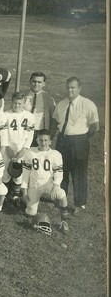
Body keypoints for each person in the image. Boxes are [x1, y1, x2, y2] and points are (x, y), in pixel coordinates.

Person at [52, 77, 99, 214]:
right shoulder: (61, 104)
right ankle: (61, 200)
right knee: (61, 170)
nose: (70, 90)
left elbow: (95, 127)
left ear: (79, 89)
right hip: (63, 140)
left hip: (79, 141)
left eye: (73, 87)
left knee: (79, 172)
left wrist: (82, 137)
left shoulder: (87, 104)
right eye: (68, 87)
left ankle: (80, 204)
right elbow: (55, 122)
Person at [20, 129, 70, 232]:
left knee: (62, 195)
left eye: (46, 140)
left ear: (50, 141)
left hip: (49, 184)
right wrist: (24, 190)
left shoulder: (55, 154)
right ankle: (29, 210)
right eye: (41, 140)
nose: (43, 143)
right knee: (30, 212)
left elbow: (58, 173)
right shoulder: (30, 152)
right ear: (37, 140)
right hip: (34, 185)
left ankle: (64, 221)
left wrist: (56, 186)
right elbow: (25, 173)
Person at [0, 92, 34, 201]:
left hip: (21, 147)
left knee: (19, 171)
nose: (17, 105)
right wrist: (6, 147)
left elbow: (30, 134)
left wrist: (25, 148)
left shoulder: (29, 116)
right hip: (8, 146)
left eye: (20, 104)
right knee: (5, 171)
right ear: (11, 102)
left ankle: (16, 195)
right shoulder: (5, 115)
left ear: (24, 104)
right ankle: (4, 194)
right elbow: (3, 133)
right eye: (15, 103)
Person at [22, 72, 56, 147]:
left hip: (40, 133)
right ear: (30, 81)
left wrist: (50, 135)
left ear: (44, 83)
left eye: (39, 82)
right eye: (34, 81)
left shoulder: (48, 99)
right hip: (25, 132)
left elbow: (54, 119)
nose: (36, 84)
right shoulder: (23, 96)